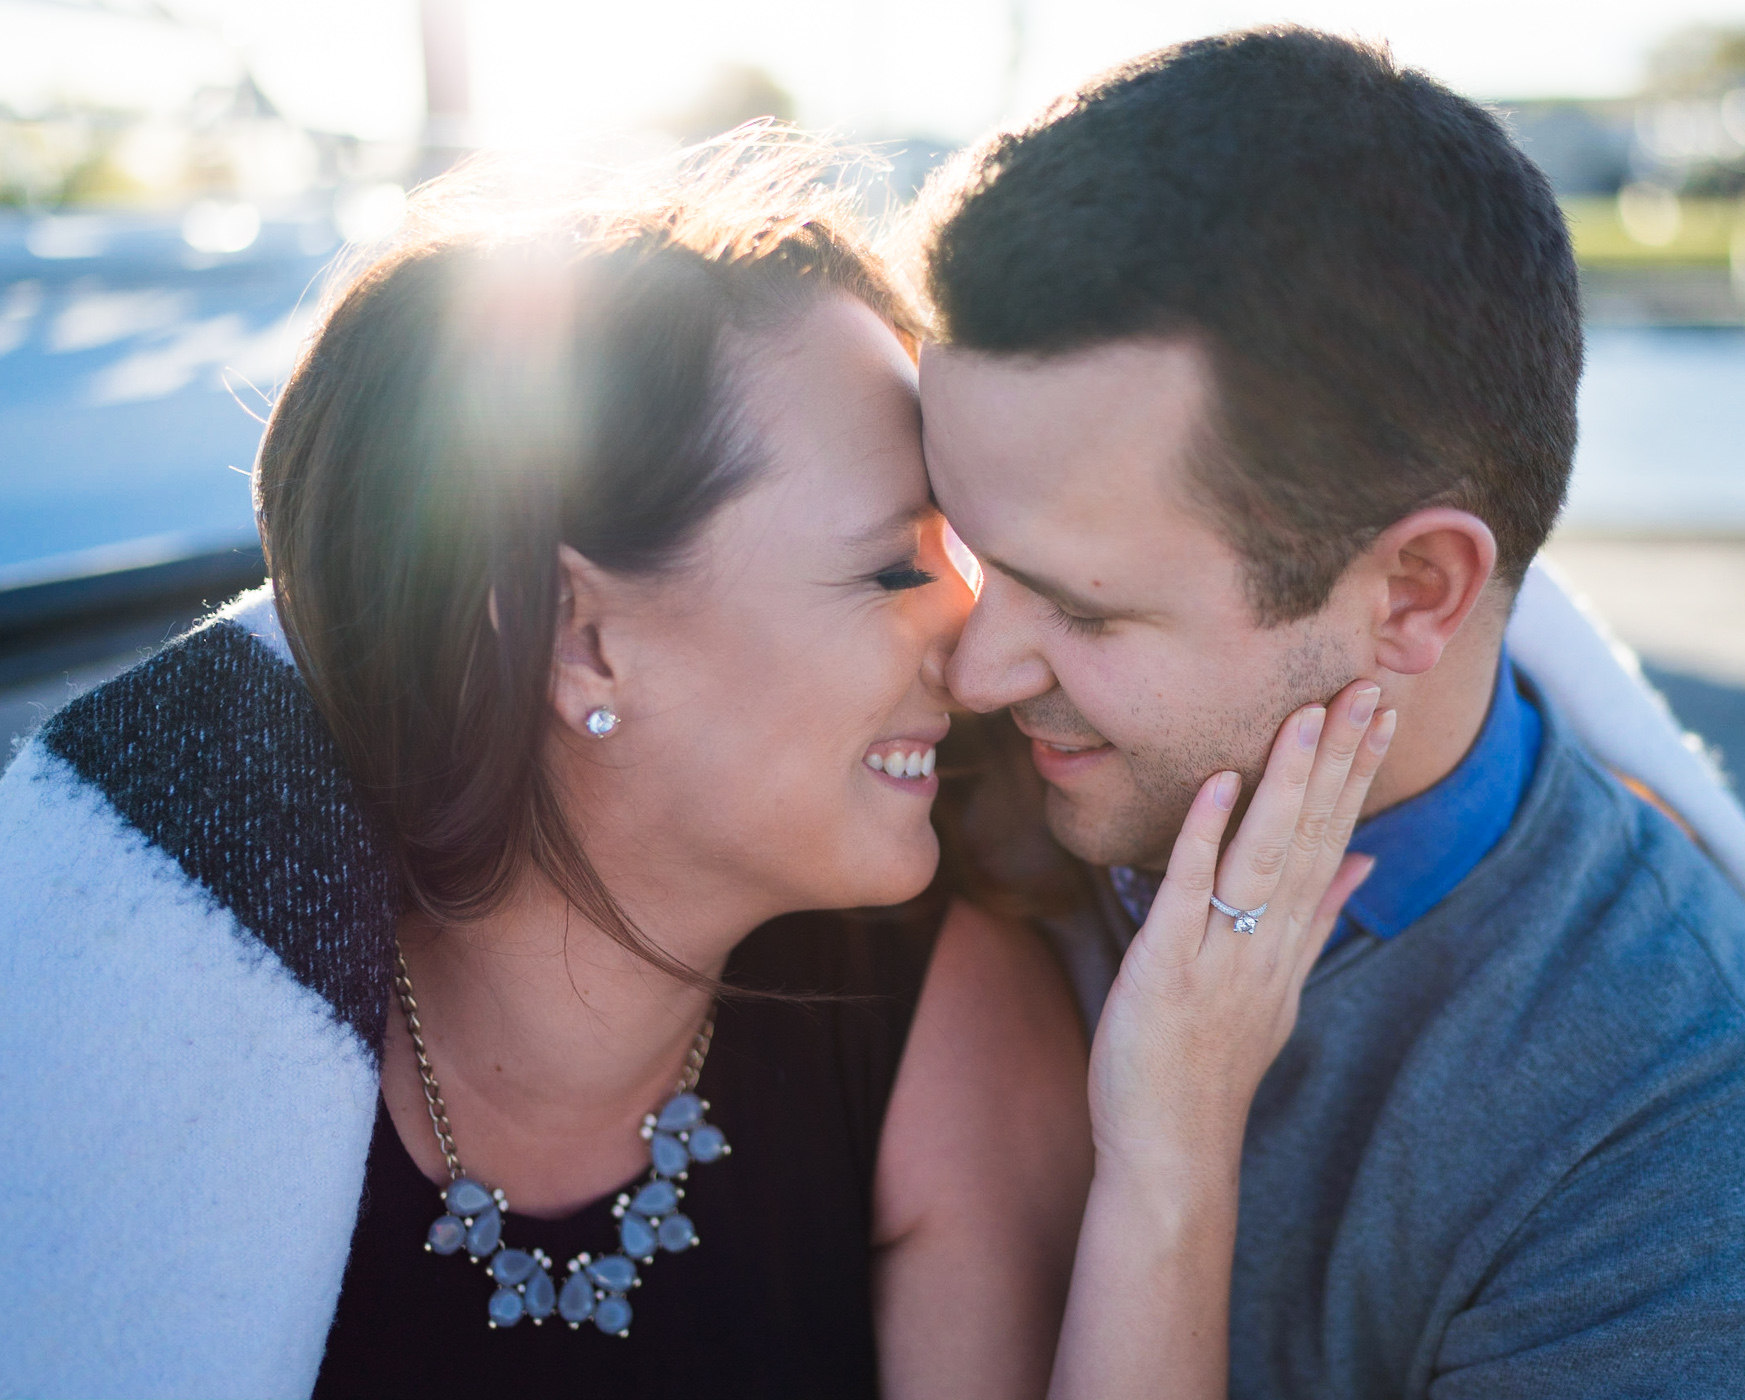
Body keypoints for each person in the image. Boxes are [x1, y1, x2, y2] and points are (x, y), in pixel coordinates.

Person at [0, 141, 1386, 1399]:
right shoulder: (155, 1054)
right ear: (582, 640)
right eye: (897, 563)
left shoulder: (939, 1033)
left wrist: (1174, 1151)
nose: (976, 635)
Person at [913, 28, 1745, 1397]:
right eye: (967, 556)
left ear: (1417, 591)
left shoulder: (1684, 1125)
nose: (972, 672)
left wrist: (1172, 1155)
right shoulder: (905, 792)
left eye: (1085, 609)